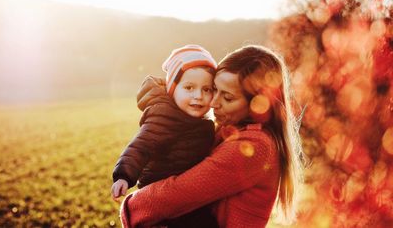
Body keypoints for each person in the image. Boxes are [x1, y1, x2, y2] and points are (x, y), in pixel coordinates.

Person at [120, 45, 305, 228]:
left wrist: (132, 207)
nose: (214, 103)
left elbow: (182, 193)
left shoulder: (255, 147)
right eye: (214, 89)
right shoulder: (228, 131)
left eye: (228, 97)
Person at [112, 45, 219, 227]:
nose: (198, 96)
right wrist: (124, 175)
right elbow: (141, 145)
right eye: (189, 87)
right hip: (161, 194)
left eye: (207, 89)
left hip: (186, 194)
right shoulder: (164, 116)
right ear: (172, 89)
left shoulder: (200, 121)